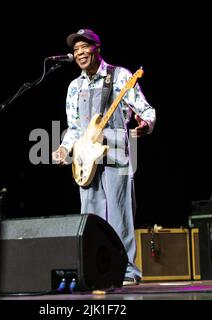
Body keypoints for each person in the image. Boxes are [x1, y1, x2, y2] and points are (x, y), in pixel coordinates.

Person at [52, 29, 156, 286]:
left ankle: (128, 271)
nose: (78, 54)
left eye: (83, 48)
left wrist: (147, 123)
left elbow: (144, 108)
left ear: (96, 48)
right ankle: (94, 270)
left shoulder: (120, 76)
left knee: (120, 215)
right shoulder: (74, 87)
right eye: (75, 50)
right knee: (90, 216)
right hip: (87, 157)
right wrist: (65, 149)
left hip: (116, 153)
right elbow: (74, 127)